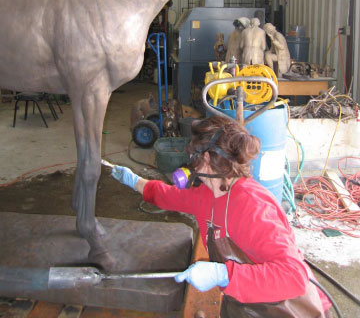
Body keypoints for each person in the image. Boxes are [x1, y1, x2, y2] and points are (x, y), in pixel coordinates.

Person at [111, 116, 332, 318]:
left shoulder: (251, 206)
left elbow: (294, 277)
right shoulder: (206, 194)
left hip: (289, 308)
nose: (188, 163)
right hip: (247, 304)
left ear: (206, 158)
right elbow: (168, 196)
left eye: (192, 156)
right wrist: (134, 181)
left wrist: (223, 274)